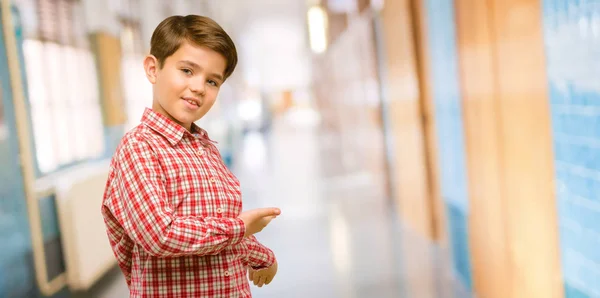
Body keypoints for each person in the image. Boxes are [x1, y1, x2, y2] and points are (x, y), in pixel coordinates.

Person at [101, 14, 280, 298]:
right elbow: (160, 235)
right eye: (187, 70)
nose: (199, 87)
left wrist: (260, 254)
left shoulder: (205, 148)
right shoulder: (138, 148)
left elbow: (216, 227)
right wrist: (240, 227)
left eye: (212, 81)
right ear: (152, 68)